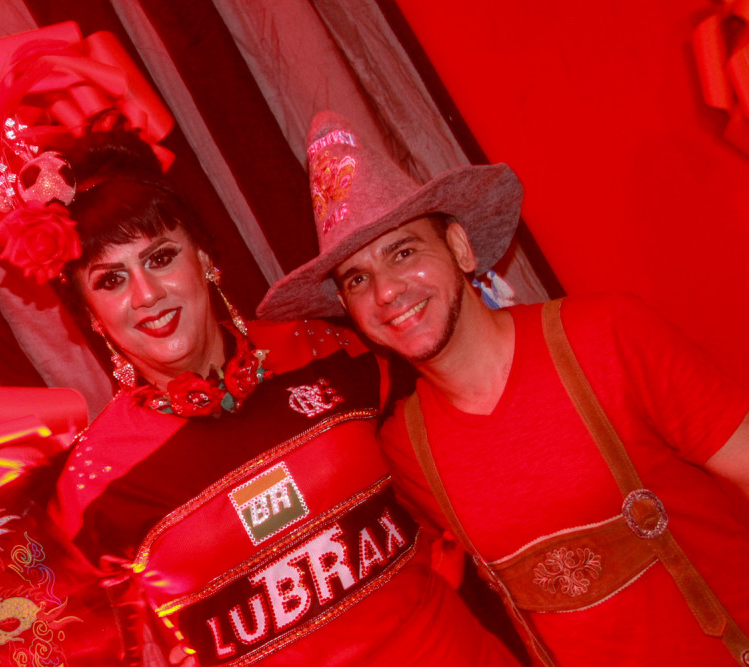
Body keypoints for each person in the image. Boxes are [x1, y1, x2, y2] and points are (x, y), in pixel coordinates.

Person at [257, 110, 749, 665]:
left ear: (460, 249)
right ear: (350, 311)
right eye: (358, 279)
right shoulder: (404, 449)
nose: (387, 292)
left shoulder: (609, 338)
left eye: (404, 252)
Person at [46, 125, 520, 666]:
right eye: (111, 280)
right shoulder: (92, 486)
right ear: (91, 315)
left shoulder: (335, 352)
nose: (146, 295)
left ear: (203, 258)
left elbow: (471, 480)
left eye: (160, 258)